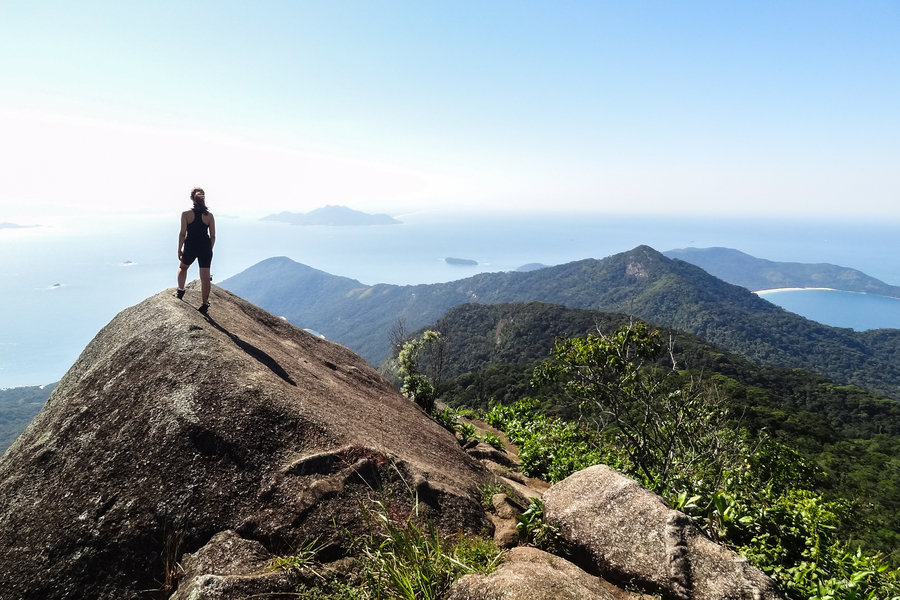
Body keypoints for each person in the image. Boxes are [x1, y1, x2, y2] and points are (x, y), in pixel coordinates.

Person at [175, 187, 216, 313]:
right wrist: (209, 249)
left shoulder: (186, 214)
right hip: (205, 246)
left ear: (192, 198)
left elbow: (182, 233)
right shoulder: (209, 216)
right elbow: (213, 236)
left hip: (191, 245)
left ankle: (181, 291)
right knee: (205, 276)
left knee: (183, 267)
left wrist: (179, 249)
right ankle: (204, 304)